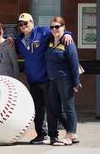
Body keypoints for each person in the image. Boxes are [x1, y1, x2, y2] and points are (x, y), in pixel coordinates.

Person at [15, 13, 73, 144]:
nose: (23, 26)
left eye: (26, 23)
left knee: (51, 108)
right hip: (32, 79)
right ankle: (41, 134)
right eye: (21, 24)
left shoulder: (43, 32)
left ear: (32, 22)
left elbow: (58, 30)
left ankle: (54, 135)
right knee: (38, 109)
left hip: (47, 79)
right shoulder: (19, 40)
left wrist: (68, 33)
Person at [45, 16, 81, 146]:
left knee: (68, 107)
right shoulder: (49, 40)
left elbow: (74, 63)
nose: (54, 29)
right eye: (52, 27)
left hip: (65, 80)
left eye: (57, 27)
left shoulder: (68, 42)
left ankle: (69, 135)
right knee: (55, 108)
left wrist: (76, 82)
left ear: (63, 27)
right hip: (52, 80)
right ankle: (72, 132)